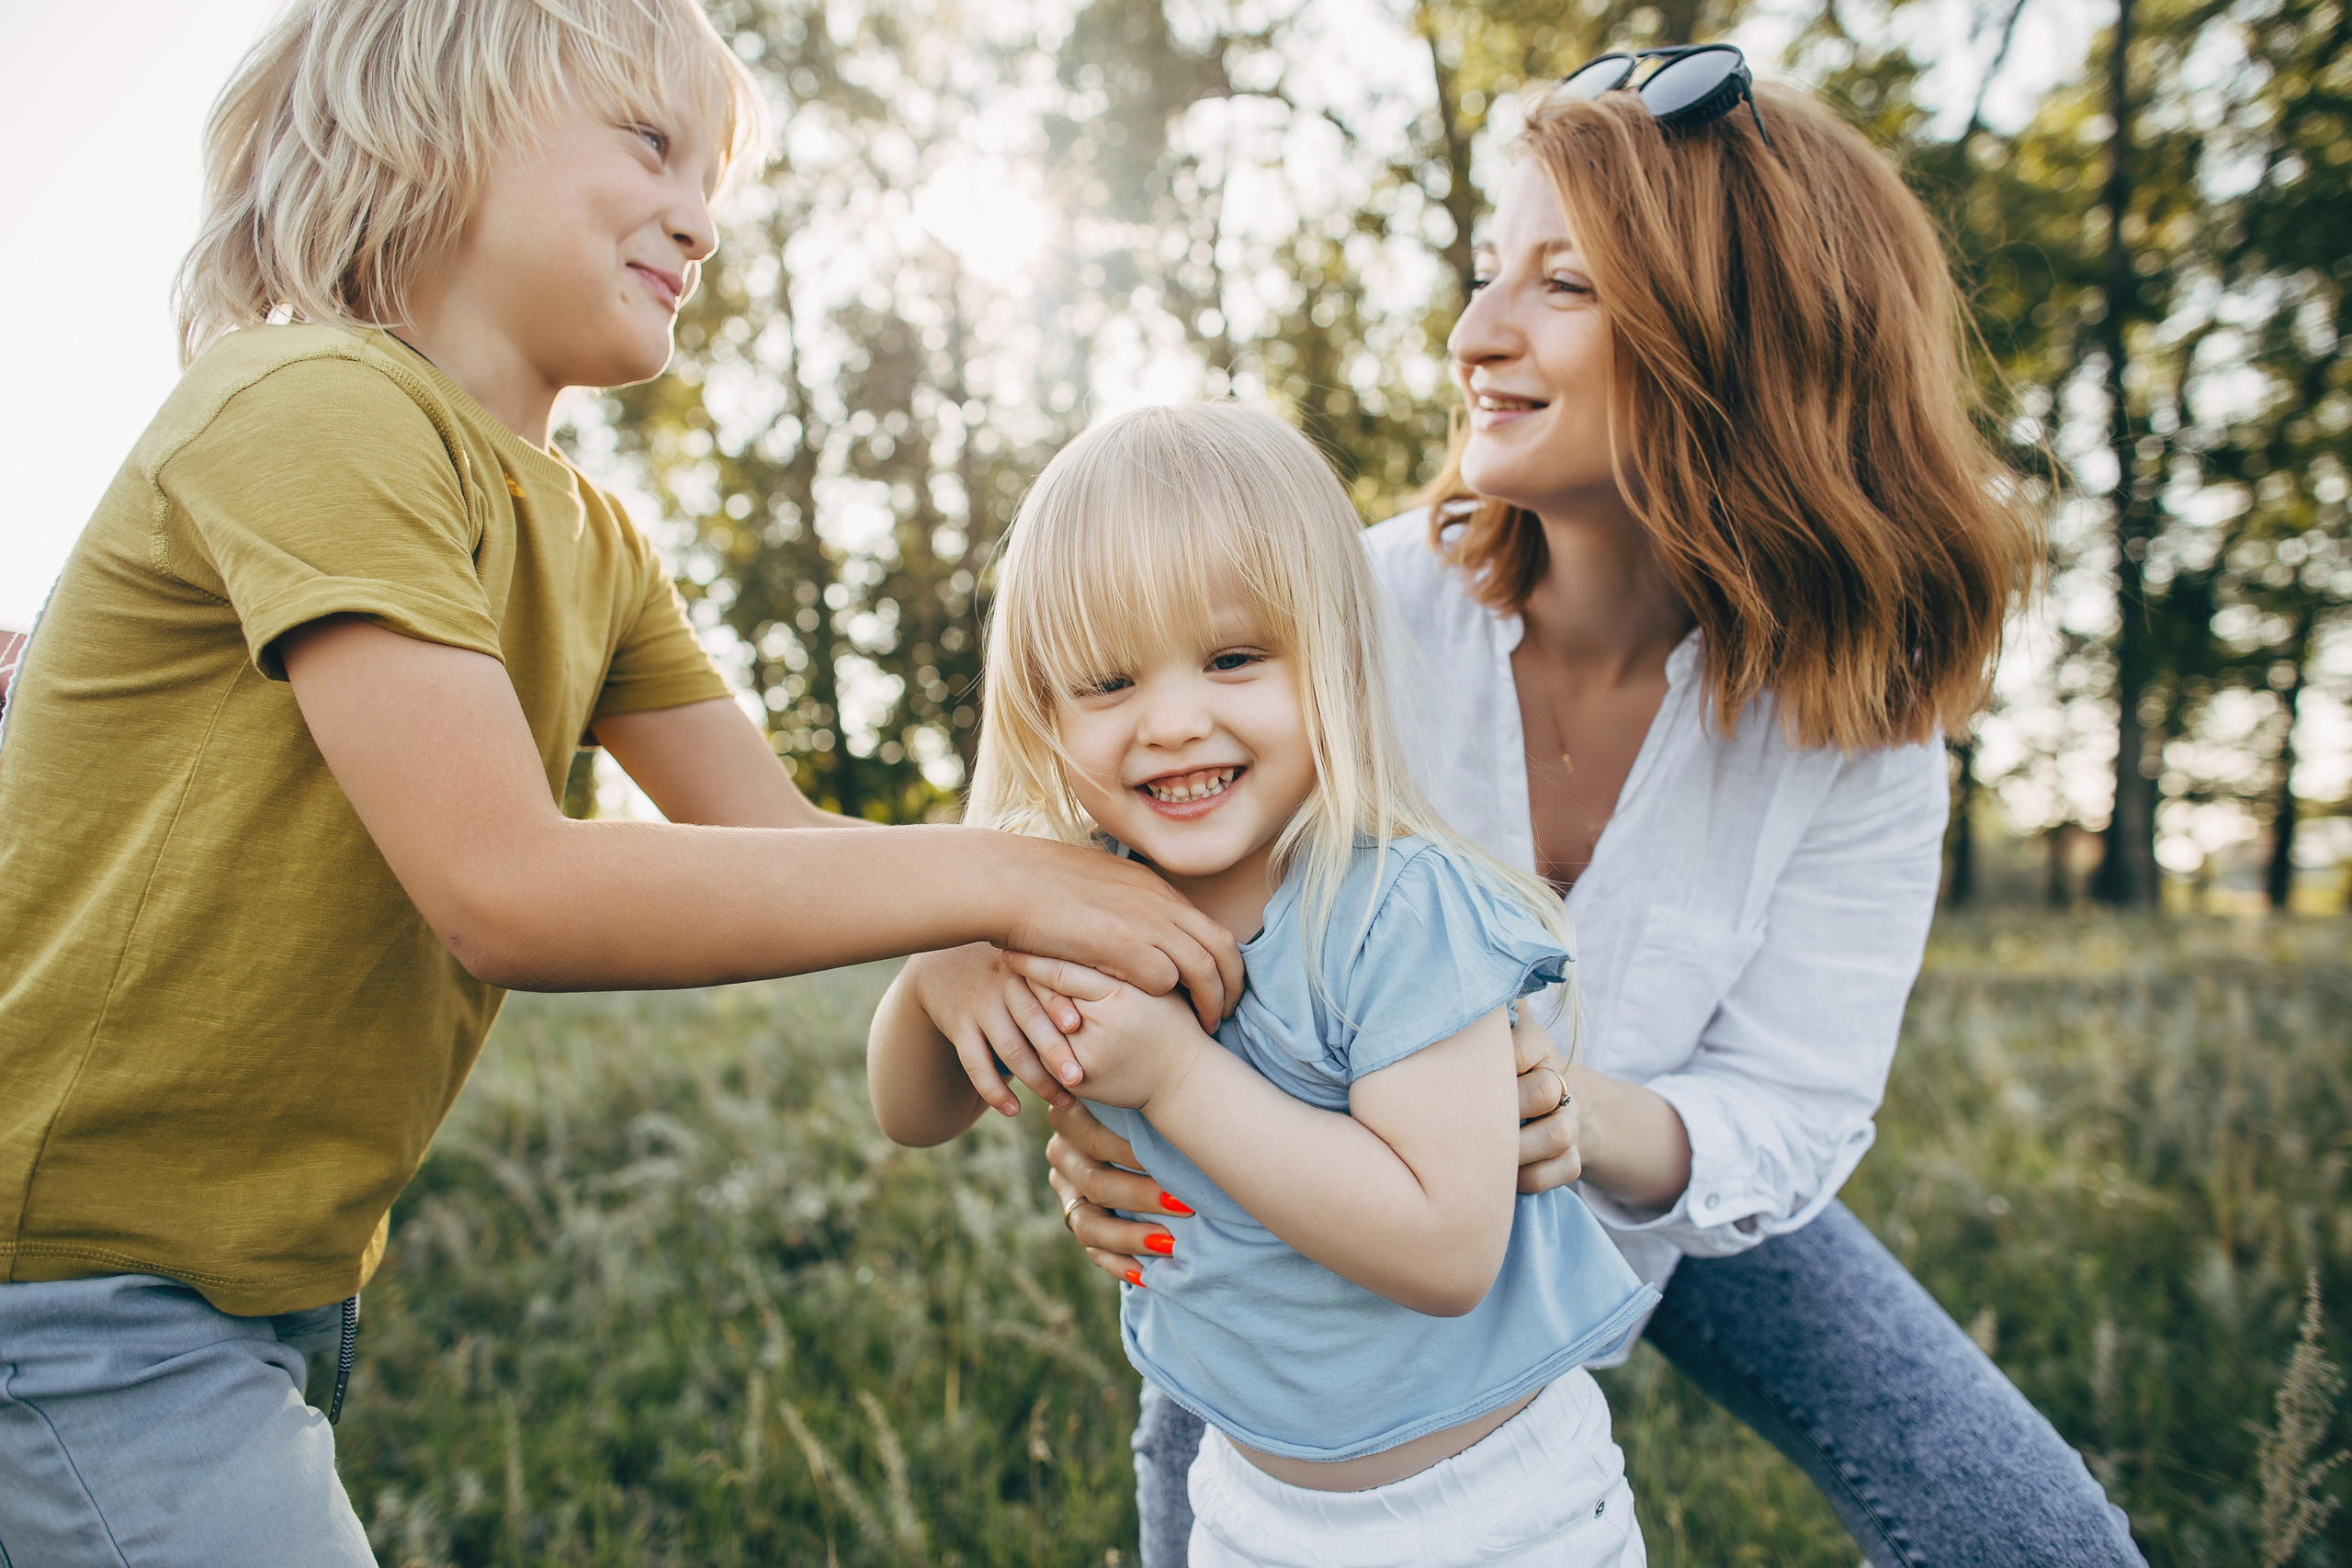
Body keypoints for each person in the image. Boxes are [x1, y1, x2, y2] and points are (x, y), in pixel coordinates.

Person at [0, 3, 1239, 1562]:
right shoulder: (311, 406)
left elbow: (777, 839)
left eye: (711, 175)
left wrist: (988, 963)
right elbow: (507, 888)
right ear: (431, 132)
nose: (701, 219)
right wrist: (1005, 877)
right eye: (650, 145)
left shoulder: (592, 535)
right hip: (63, 1275)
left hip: (256, 1286)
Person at [938, 48, 2147, 1568]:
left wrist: (1576, 1116)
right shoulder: (1345, 613)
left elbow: (1798, 1110)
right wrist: (978, 945)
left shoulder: (1865, 738)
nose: (1475, 333)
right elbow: (1094, 812)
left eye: (1560, 285)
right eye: (1485, 272)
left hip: (1643, 1192)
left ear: (1743, 342)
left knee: (2033, 1537)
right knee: (1227, 1441)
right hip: (1318, 1172)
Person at [872, 402, 1663, 1565]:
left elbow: (1444, 1250)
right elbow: (914, 1112)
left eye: (1234, 658)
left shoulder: (1396, 909)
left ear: (1328, 656)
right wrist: (942, 961)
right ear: (1044, 711)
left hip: (1496, 1511)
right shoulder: (1080, 909)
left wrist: (1179, 1078)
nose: (1174, 722)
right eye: (1106, 682)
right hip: (1248, 1504)